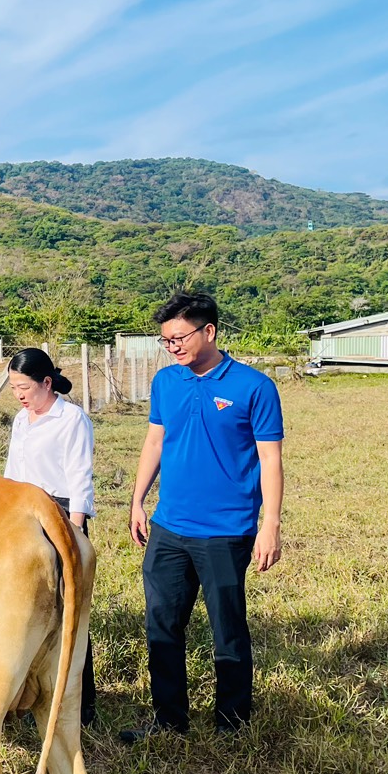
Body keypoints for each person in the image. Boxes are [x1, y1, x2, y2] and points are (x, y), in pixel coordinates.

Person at [124, 290, 284, 742]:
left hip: (226, 531)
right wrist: (138, 500)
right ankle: (167, 720)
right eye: (165, 340)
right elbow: (155, 441)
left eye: (179, 337)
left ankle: (232, 724)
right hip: (169, 526)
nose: (172, 347)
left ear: (209, 331)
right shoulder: (165, 383)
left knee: (227, 629)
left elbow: (270, 460)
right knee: (162, 625)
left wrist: (269, 524)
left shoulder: (253, 387)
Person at [3, 347, 98, 727]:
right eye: (13, 388)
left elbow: (80, 478)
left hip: (60, 516)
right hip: (24, 518)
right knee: (27, 613)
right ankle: (28, 699)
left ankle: (80, 706)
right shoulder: (21, 421)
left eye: (25, 387)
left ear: (46, 382)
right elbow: (12, 475)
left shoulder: (71, 418)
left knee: (68, 611)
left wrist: (73, 535)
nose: (20, 395)